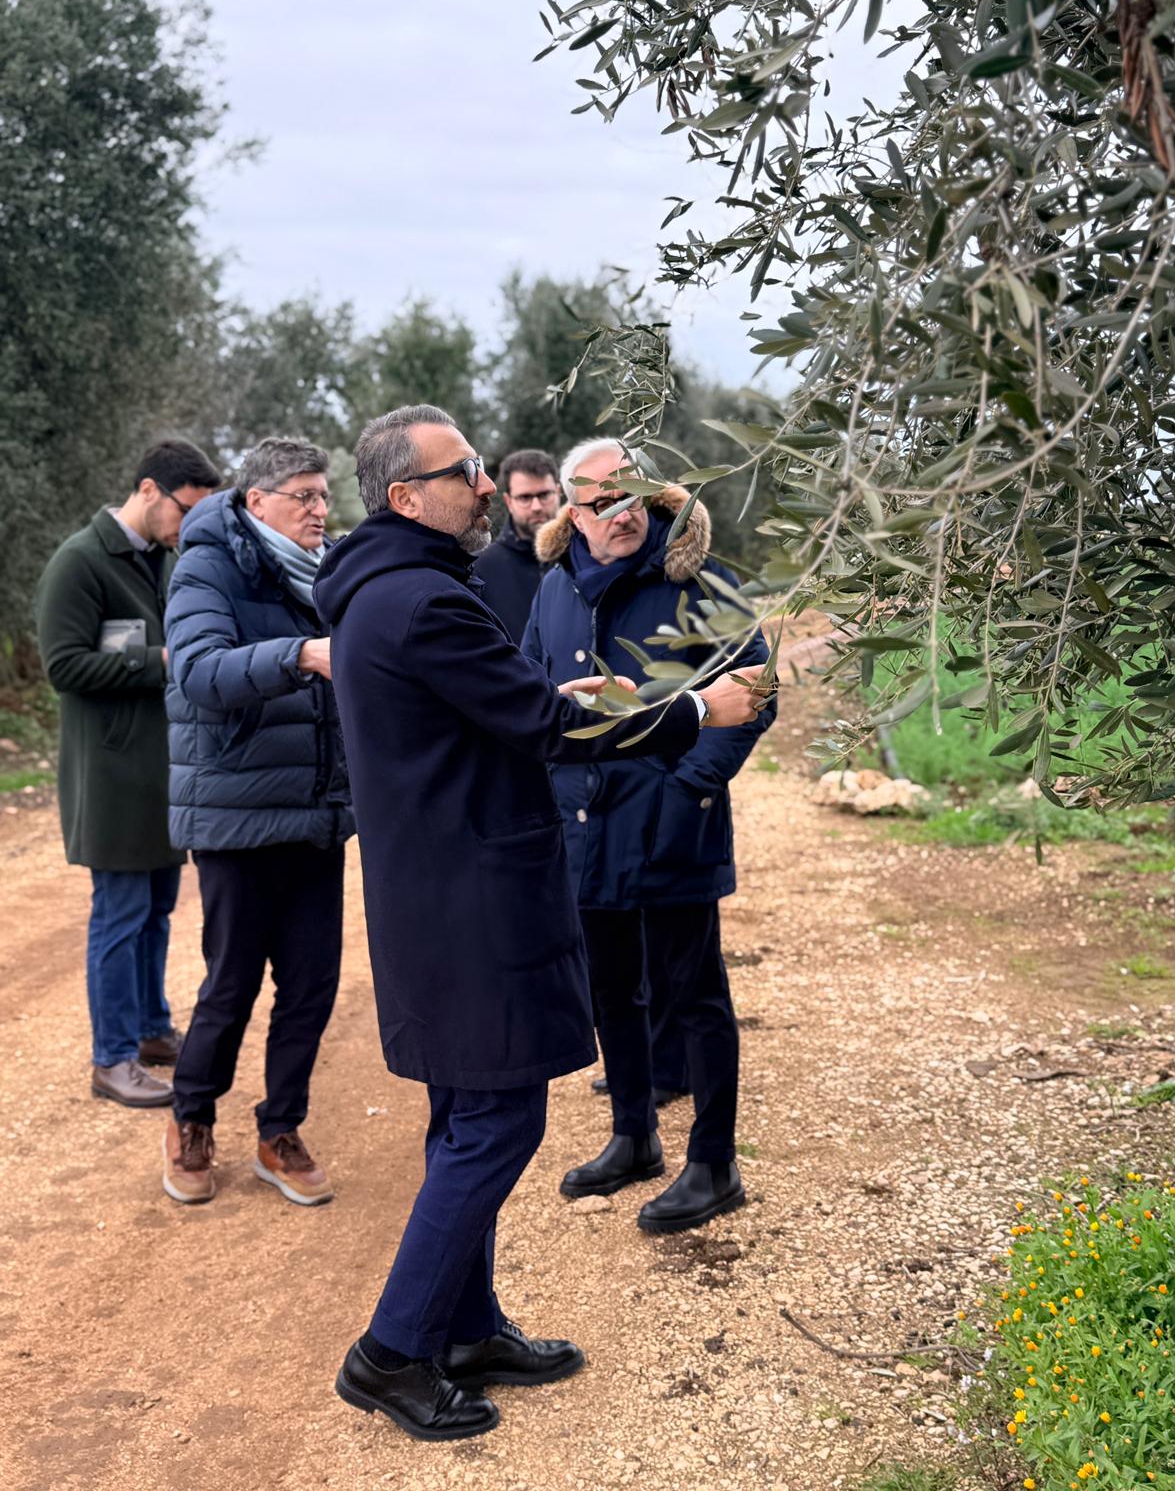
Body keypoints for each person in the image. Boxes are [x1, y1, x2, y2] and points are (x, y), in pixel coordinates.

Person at [313, 404, 768, 1442]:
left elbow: (502, 708)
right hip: (470, 900)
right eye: (465, 470)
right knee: (499, 1121)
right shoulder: (426, 601)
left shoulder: (385, 595)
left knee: (459, 1115)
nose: (487, 485)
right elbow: (550, 724)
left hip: (432, 893)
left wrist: (569, 703)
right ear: (404, 498)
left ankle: (465, 1326)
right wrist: (699, 711)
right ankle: (391, 1350)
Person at [523, 437, 775, 1234]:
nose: (622, 513)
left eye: (632, 495)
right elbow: (536, 695)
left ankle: (714, 1164)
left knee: (693, 995)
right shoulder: (554, 589)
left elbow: (756, 685)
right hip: (584, 828)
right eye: (601, 502)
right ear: (573, 511)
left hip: (672, 826)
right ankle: (634, 1136)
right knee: (611, 991)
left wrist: (690, 785)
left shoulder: (699, 578)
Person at [160, 437, 354, 1208]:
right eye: (304, 495)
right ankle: (190, 1119)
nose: (319, 509)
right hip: (236, 813)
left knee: (312, 983)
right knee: (232, 982)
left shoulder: (333, 569)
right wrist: (301, 654)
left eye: (323, 493)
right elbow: (200, 672)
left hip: (315, 809)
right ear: (256, 502)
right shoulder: (207, 565)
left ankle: (280, 1130)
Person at [35, 439, 222, 1108]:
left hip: (164, 775)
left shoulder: (165, 560)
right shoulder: (79, 562)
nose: (187, 527)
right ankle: (111, 1058)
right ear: (149, 490)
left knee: (158, 912)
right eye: (184, 511)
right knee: (120, 913)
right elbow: (64, 667)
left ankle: (149, 1030)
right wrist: (162, 662)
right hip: (111, 778)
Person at [471, 447, 560, 640]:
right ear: (509, 501)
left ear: (559, 493)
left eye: (544, 495)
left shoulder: (585, 556)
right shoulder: (480, 570)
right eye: (525, 498)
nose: (536, 507)